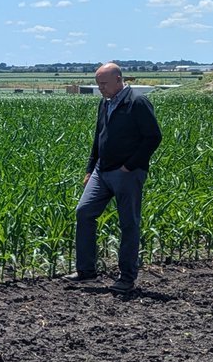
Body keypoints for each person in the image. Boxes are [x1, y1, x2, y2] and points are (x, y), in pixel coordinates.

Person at [66, 62, 162, 293]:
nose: (101, 88)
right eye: (98, 84)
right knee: (84, 212)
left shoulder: (137, 102)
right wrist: (90, 169)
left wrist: (130, 166)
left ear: (119, 80)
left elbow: (153, 137)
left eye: (104, 84)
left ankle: (126, 277)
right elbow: (99, 137)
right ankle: (86, 271)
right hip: (102, 171)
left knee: (128, 223)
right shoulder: (105, 103)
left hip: (126, 173)